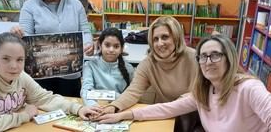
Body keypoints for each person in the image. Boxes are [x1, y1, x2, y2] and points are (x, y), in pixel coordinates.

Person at [96, 34, 271, 131]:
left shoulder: (249, 88)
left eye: (215, 55)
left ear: (230, 58)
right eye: (203, 56)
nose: (208, 61)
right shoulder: (205, 92)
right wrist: (122, 115)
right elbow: (167, 108)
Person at [0, 33, 101, 132]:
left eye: (20, 60)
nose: (14, 66)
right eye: (6, 59)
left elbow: (45, 99)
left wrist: (78, 108)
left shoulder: (21, 76)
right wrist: (23, 116)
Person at [99, 16, 203, 131]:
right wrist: (114, 106)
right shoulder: (148, 63)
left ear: (176, 37)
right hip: (165, 116)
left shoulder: (196, 58)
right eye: (155, 39)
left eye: (165, 37)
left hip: (194, 118)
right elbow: (133, 90)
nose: (160, 43)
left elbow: (200, 95)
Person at [10, 0, 94, 97]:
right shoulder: (29, 7)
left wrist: (88, 44)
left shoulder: (76, 5)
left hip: (71, 74)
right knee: (44, 111)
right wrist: (18, 36)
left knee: (72, 109)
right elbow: (26, 38)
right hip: (41, 76)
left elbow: (85, 31)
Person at [81, 27, 135, 107]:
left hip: (119, 108)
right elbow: (86, 91)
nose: (111, 50)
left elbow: (132, 95)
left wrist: (115, 103)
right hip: (95, 107)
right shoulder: (89, 66)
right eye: (107, 45)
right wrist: (94, 107)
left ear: (121, 49)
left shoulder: (129, 68)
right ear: (100, 45)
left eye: (116, 46)